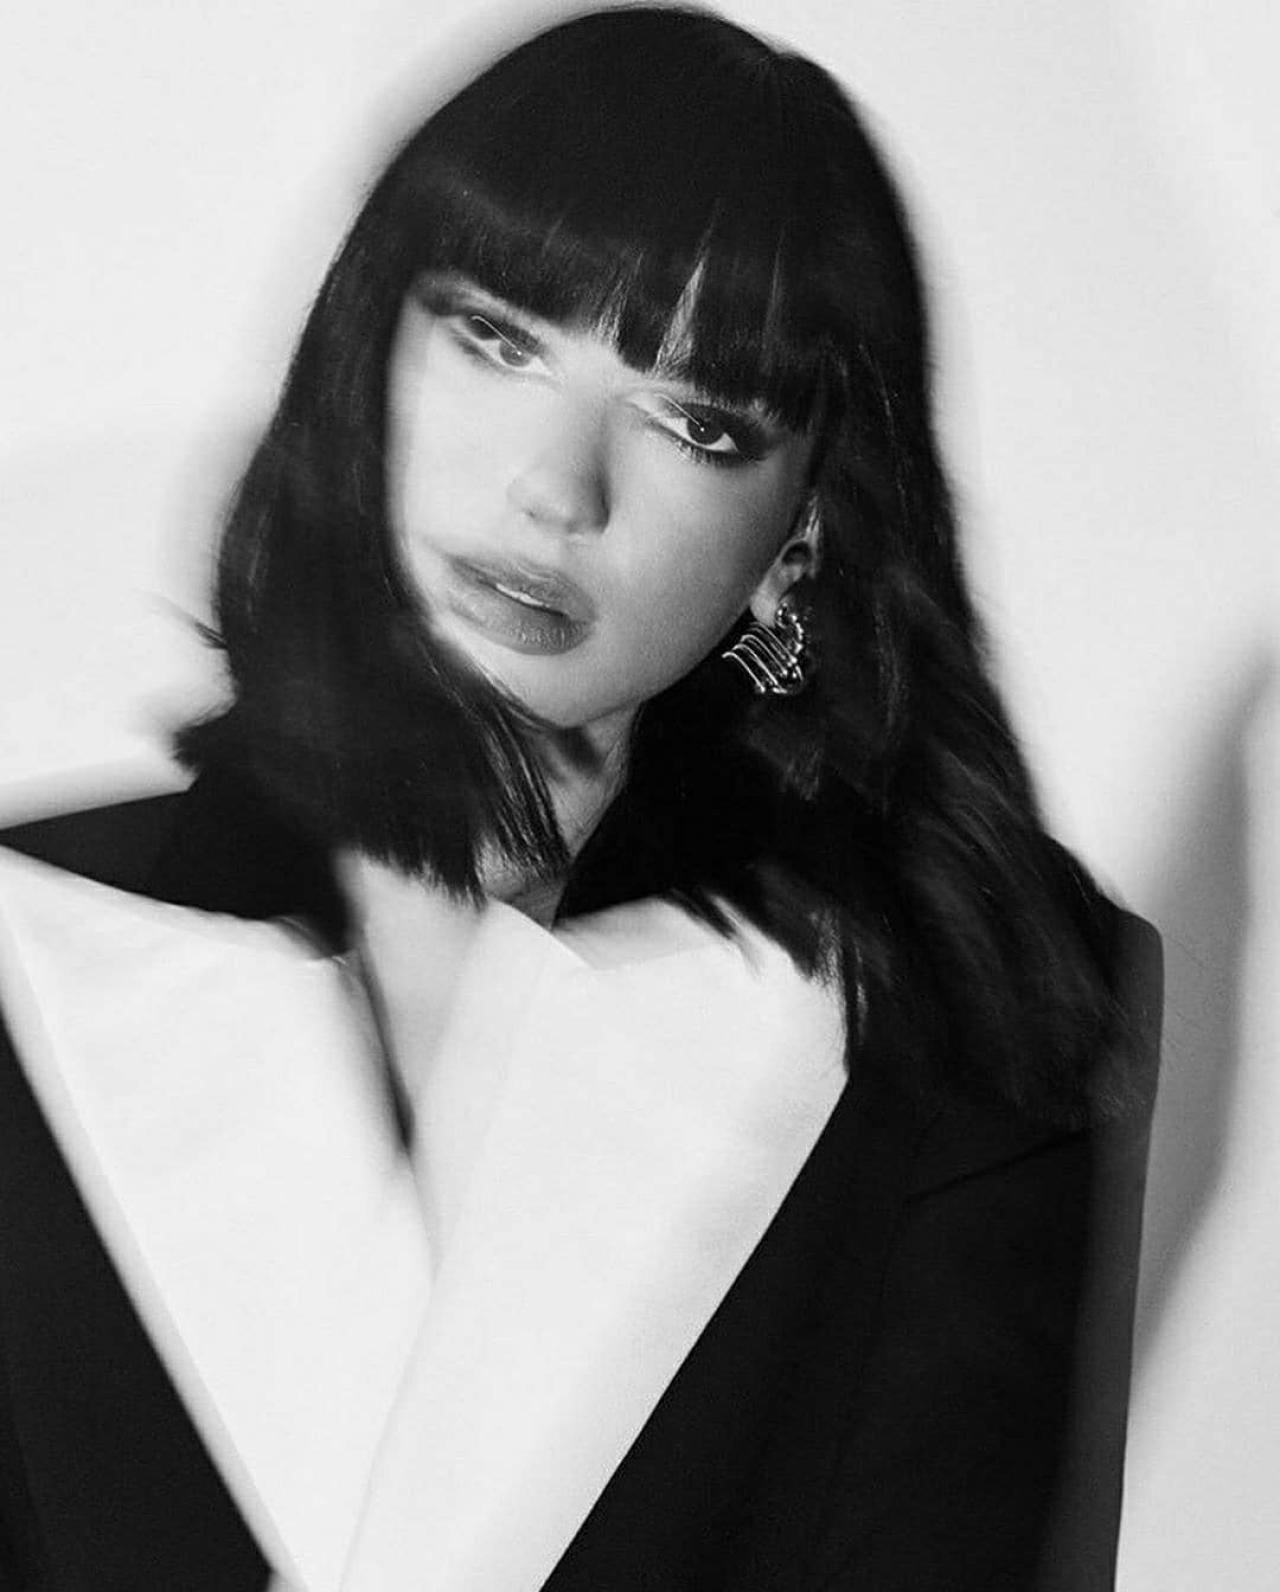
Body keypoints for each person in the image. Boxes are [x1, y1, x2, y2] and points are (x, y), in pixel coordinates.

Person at [0, 6, 1161, 1589]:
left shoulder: (950, 1013)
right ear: (369, 358)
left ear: (803, 534)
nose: (556, 489)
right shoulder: (34, 945)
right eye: (497, 339)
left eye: (699, 422)